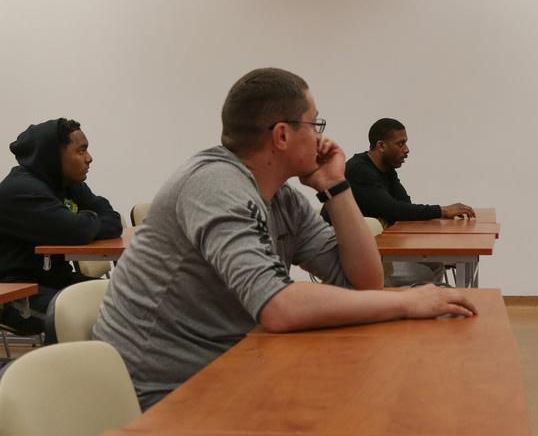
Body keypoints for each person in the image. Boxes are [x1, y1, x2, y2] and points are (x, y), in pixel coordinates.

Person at [92, 68, 476, 410]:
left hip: (229, 368)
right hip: (161, 396)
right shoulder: (214, 184)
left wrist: (336, 187)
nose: (321, 137)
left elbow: (365, 280)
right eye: (315, 125)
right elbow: (278, 307)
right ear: (282, 135)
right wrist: (407, 302)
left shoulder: (283, 197)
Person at [0, 119, 122, 334]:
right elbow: (78, 231)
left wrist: (83, 220)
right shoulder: (21, 190)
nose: (89, 158)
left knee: (128, 299)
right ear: (54, 156)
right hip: (17, 295)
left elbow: (111, 218)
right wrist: (82, 223)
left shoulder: (64, 182)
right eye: (81, 150)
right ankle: (67, 367)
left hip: (57, 282)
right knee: (81, 315)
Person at [324, 118, 474, 286]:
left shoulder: (387, 170)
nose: (407, 150)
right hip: (348, 256)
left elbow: (403, 207)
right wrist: (443, 210)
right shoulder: (359, 170)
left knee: (435, 265)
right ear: (381, 146)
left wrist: (391, 215)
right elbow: (395, 209)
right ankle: (409, 306)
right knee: (425, 274)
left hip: (375, 247)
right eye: (401, 144)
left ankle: (424, 307)